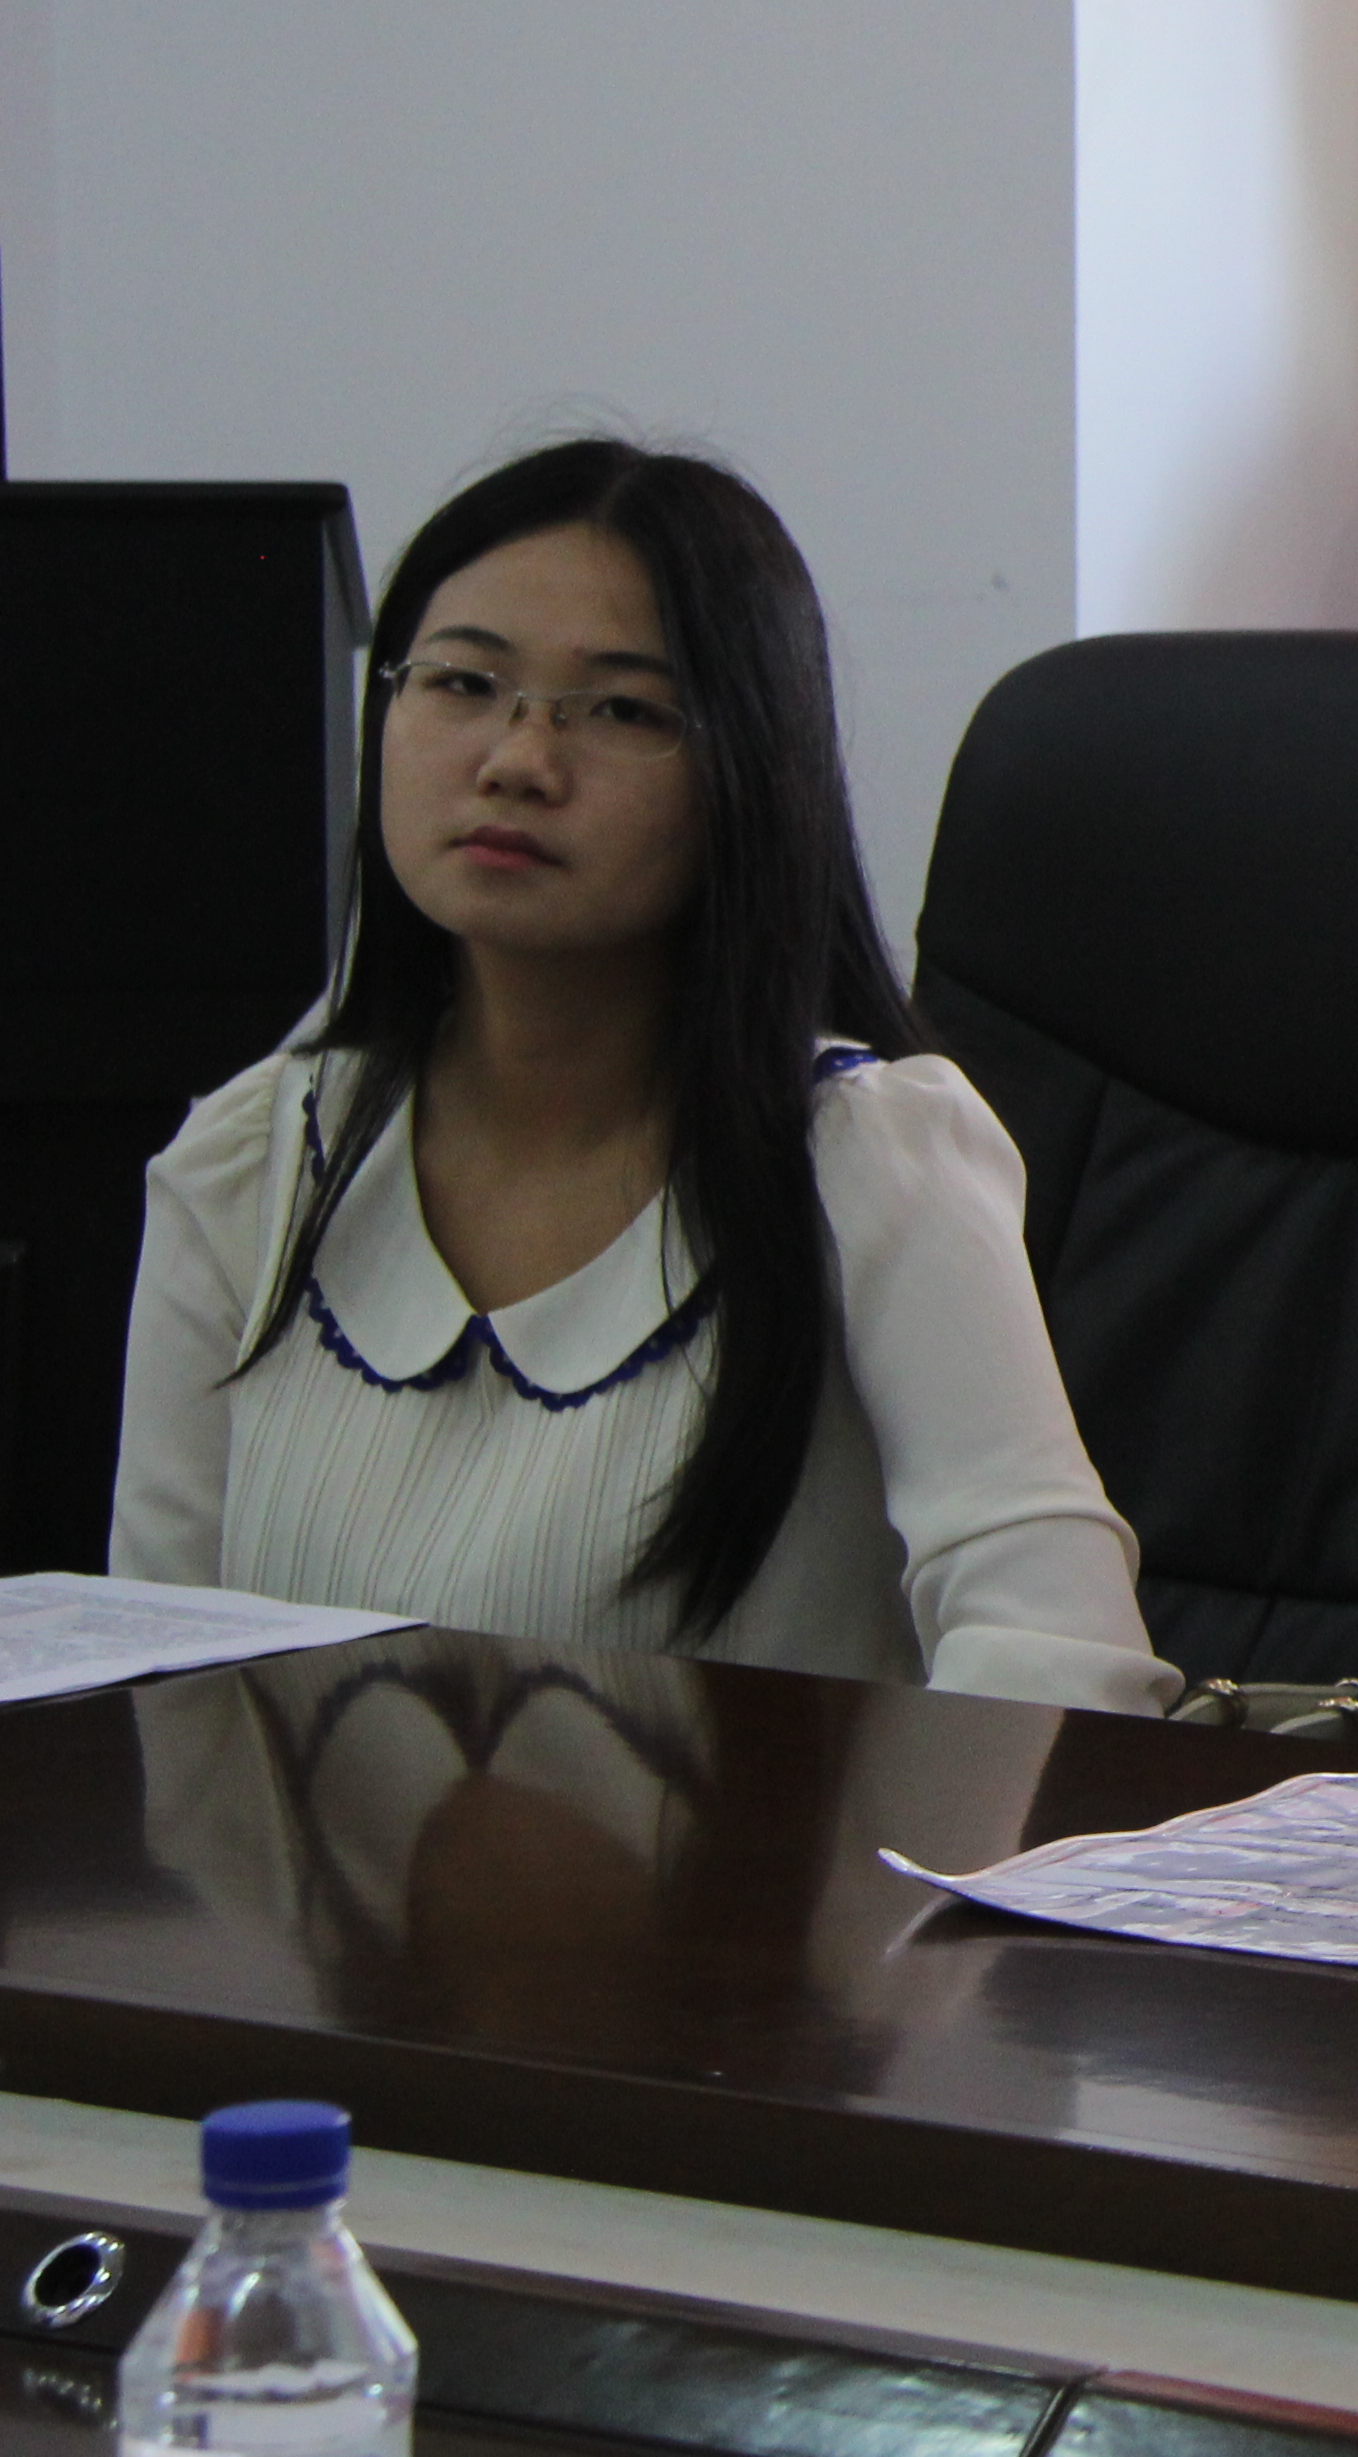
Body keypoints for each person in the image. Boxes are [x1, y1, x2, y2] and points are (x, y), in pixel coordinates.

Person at [113, 442, 1172, 1711]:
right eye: (463, 683)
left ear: (750, 771)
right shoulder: (248, 1165)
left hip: (769, 1855)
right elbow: (151, 1689)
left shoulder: (867, 1158)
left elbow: (1062, 1669)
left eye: (621, 710)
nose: (517, 760)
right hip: (298, 1858)